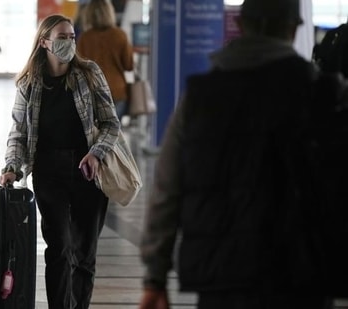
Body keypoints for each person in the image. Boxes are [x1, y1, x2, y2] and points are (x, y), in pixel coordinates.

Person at [139, 0, 344, 308]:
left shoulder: (200, 97)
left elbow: (167, 187)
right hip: (302, 272)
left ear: (242, 26)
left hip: (222, 272)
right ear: (293, 28)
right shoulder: (325, 93)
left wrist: (155, 275)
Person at [0, 14, 120, 309]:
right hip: (48, 171)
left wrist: (96, 153)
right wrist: (11, 168)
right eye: (61, 37)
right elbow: (19, 132)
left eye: (71, 37)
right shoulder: (30, 83)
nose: (69, 42)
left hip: (88, 171)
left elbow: (110, 123)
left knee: (84, 253)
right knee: (59, 248)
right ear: (44, 43)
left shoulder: (89, 73)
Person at [77, 0, 133, 121]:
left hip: (93, 92)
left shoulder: (85, 38)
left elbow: (78, 68)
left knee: (96, 133)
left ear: (88, 15)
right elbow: (129, 65)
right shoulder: (120, 35)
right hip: (118, 92)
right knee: (114, 133)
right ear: (110, 13)